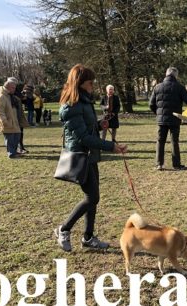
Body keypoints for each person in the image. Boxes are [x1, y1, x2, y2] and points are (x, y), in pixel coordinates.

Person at [54, 64, 128, 252]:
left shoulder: (84, 101)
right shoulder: (72, 105)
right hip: (81, 155)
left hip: (91, 156)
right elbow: (82, 137)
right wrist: (112, 146)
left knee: (93, 198)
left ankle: (88, 237)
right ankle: (64, 229)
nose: (92, 85)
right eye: (90, 82)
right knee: (92, 197)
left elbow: (86, 128)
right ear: (80, 83)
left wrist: (98, 124)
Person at [149, 67, 187, 171]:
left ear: (166, 74)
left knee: (160, 141)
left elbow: (151, 104)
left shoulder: (157, 87)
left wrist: (158, 113)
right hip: (174, 118)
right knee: (174, 141)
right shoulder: (179, 87)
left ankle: (159, 164)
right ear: (176, 75)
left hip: (161, 119)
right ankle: (176, 165)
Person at [0, 77, 29, 158]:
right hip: (7, 121)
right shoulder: (1, 96)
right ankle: (11, 154)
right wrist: (4, 121)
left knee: (17, 137)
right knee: (10, 139)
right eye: (13, 87)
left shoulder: (12, 96)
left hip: (15, 121)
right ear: (7, 86)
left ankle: (15, 151)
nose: (14, 89)